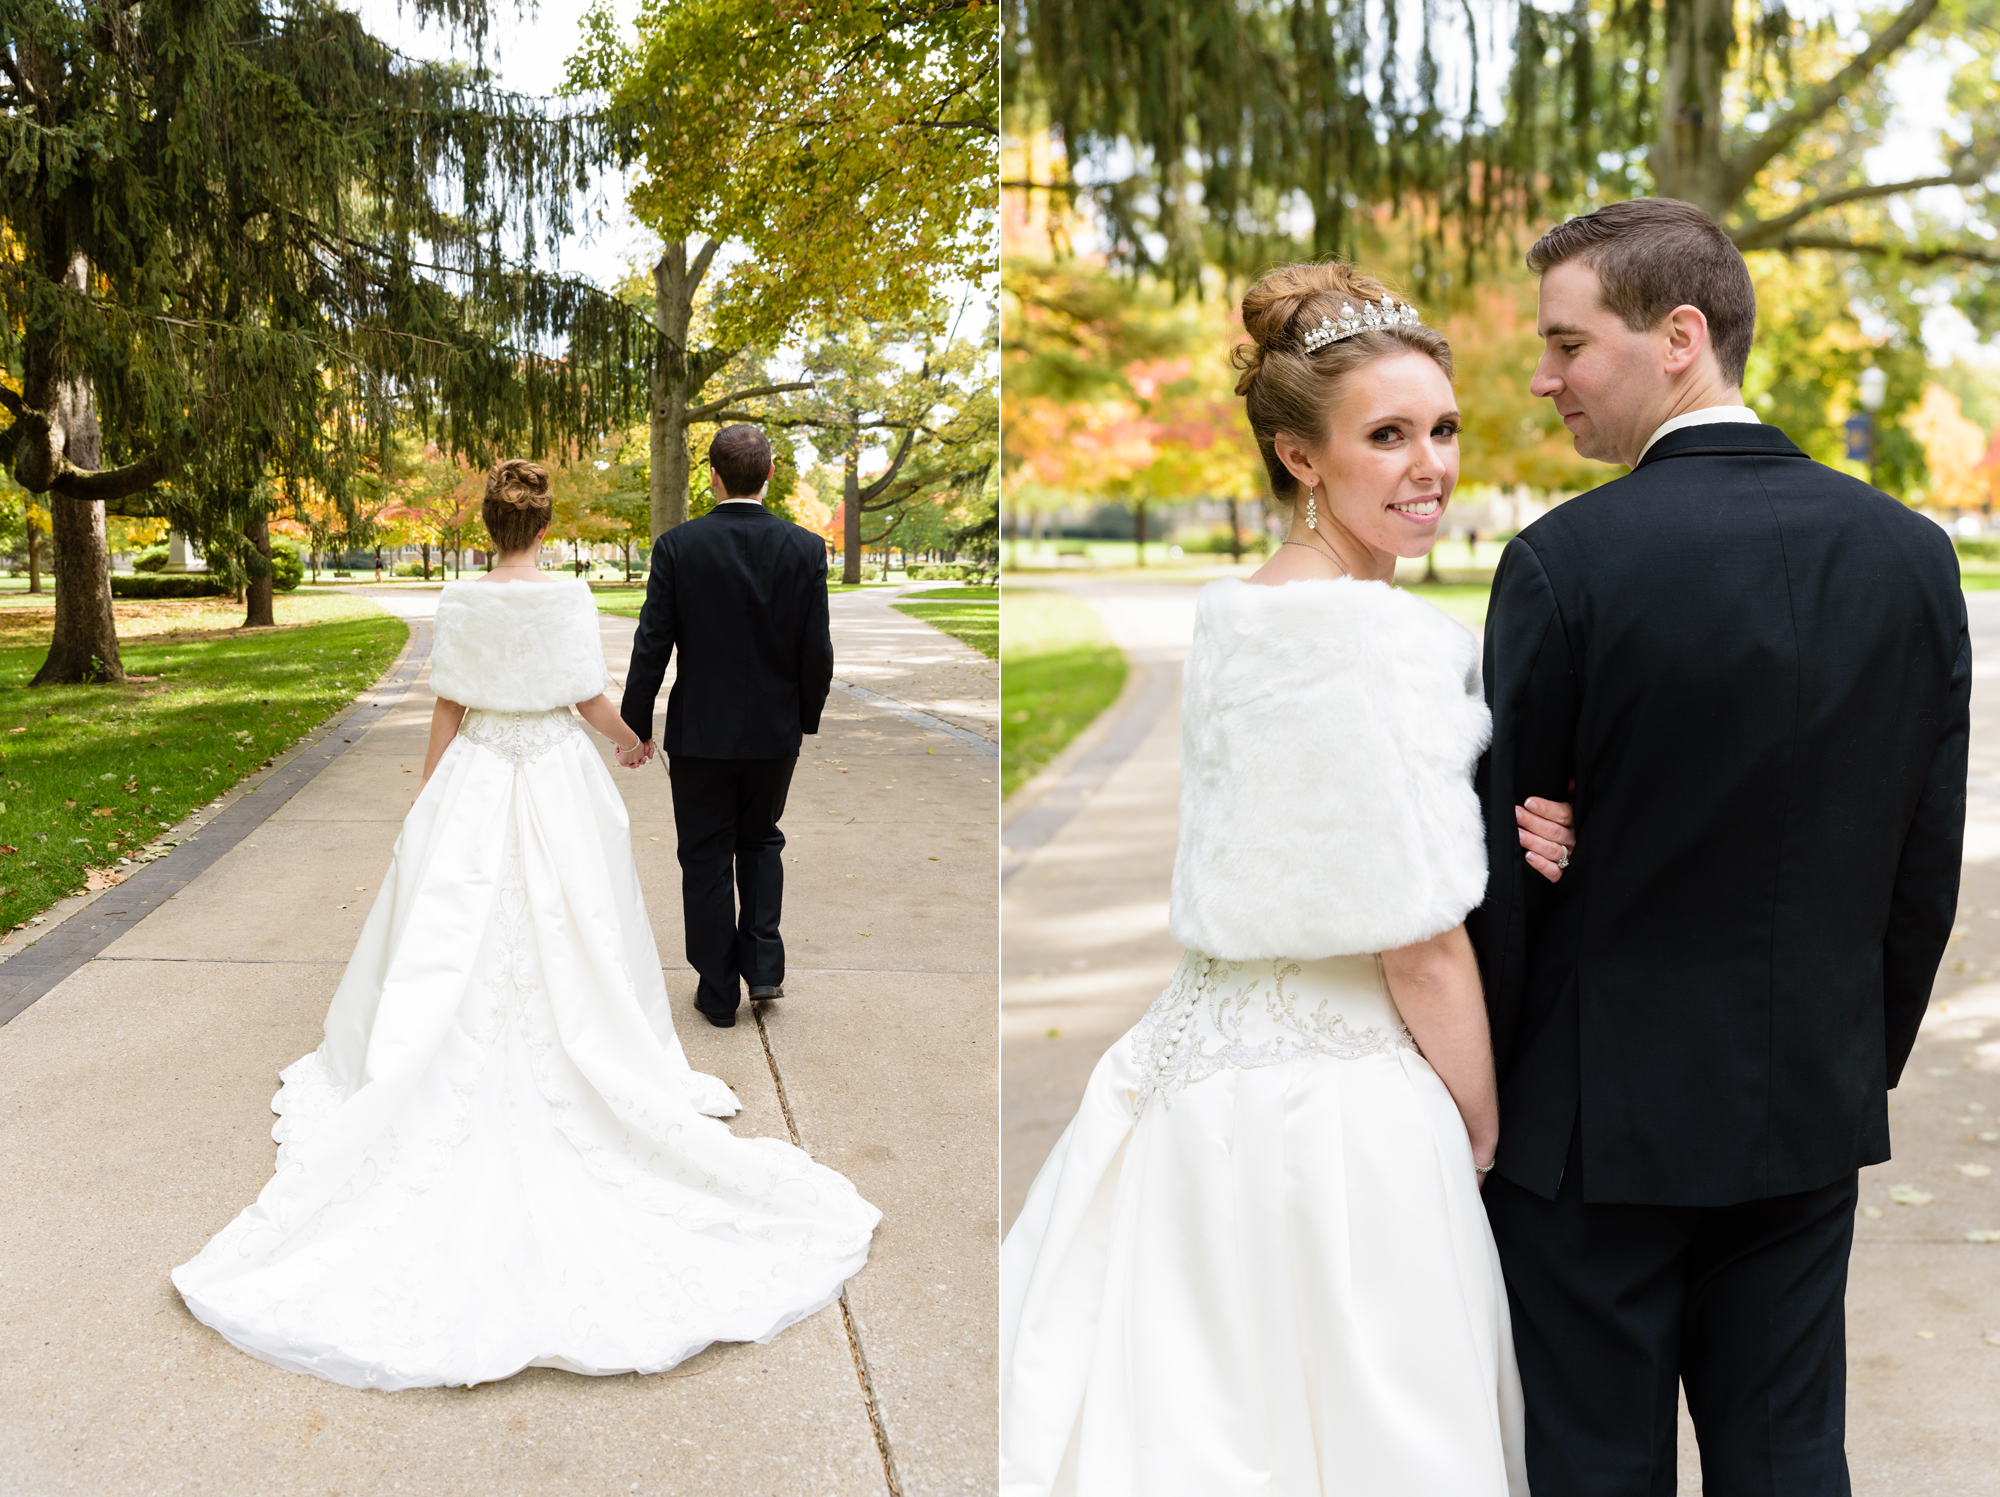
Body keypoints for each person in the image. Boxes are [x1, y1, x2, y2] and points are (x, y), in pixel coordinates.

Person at [1000, 263, 1574, 1496]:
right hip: (1346, 1106)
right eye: (1385, 435)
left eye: (1440, 429)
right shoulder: (1381, 641)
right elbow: (1415, 939)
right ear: (1298, 455)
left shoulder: (1237, 609)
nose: (1428, 465)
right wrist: (1476, 1124)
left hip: (1194, 1072)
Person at [172, 458, 878, 1390]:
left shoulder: (461, 600)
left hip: (478, 776)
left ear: (487, 524)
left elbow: (451, 703)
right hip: (551, 774)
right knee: (574, 921)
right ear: (544, 526)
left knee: (456, 929)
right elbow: (584, 693)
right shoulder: (569, 597)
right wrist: (625, 737)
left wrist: (429, 793)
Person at [1468, 198, 1969, 1494]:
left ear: (1678, 334)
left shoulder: (1564, 563)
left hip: (1588, 1133)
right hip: (1803, 1103)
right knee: (1790, 1458)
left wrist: (1499, 1104)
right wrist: (1849, 1054)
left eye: (1568, 343)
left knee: (1593, 1466)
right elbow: (1923, 863)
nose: (1544, 376)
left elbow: (1501, 879)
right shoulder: (1913, 559)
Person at [619, 425, 834, 1028]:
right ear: (770, 475)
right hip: (773, 733)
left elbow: (652, 645)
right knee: (761, 839)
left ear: (712, 476)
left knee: (706, 856)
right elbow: (816, 651)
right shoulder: (805, 547)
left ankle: (717, 993)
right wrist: (804, 719)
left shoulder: (678, 546)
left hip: (701, 735)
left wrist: (634, 728)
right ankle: (763, 967)